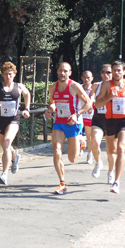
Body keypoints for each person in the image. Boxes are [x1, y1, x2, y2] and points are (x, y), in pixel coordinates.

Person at [95, 60, 125, 194]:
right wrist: (110, 97)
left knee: (120, 148)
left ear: (124, 72)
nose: (116, 73)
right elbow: (97, 104)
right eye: (114, 70)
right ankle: (124, 149)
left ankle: (116, 182)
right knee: (111, 152)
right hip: (110, 121)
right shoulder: (106, 85)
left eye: (119, 70)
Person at [44, 62, 92, 195]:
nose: (62, 73)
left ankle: (81, 140)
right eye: (60, 70)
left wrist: (77, 114)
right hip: (59, 123)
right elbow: (53, 103)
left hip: (72, 124)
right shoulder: (52, 87)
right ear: (57, 71)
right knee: (56, 150)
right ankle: (62, 183)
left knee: (72, 158)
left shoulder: (74, 86)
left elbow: (88, 103)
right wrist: (50, 109)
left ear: (69, 73)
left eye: (65, 71)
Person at [0, 61, 31, 185]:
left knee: (6, 143)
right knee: (6, 147)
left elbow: (27, 94)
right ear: (2, 75)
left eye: (10, 74)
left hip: (13, 120)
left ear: (14, 74)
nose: (8, 76)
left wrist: (26, 109)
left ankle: (4, 174)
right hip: (0, 120)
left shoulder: (19, 87)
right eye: (5, 74)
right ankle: (14, 158)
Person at [88, 63, 113, 180]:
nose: (106, 74)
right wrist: (90, 104)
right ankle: (98, 163)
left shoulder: (116, 86)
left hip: (112, 119)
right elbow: (92, 97)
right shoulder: (96, 85)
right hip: (98, 117)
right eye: (103, 72)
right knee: (95, 142)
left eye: (108, 72)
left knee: (110, 150)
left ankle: (111, 171)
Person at [79, 70, 95, 164]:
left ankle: (90, 154)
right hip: (79, 114)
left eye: (88, 77)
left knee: (89, 137)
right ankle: (81, 146)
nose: (86, 79)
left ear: (92, 78)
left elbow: (95, 100)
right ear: (82, 78)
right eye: (84, 77)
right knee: (77, 135)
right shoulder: (79, 88)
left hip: (90, 115)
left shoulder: (94, 88)